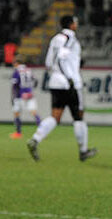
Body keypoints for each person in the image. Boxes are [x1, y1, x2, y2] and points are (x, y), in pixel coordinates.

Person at [27, 16, 97, 162]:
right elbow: (60, 59)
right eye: (75, 22)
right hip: (69, 83)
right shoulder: (70, 38)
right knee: (78, 116)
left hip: (55, 82)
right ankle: (83, 151)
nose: (77, 24)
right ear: (71, 25)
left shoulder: (55, 38)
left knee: (55, 116)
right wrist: (69, 77)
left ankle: (35, 139)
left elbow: (49, 62)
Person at [10, 56, 40, 138]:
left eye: (14, 63)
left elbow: (14, 85)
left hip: (20, 95)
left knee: (16, 113)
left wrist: (13, 97)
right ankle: (41, 131)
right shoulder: (28, 70)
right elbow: (36, 81)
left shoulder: (16, 71)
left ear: (17, 63)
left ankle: (18, 133)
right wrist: (30, 90)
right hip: (29, 94)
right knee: (33, 112)